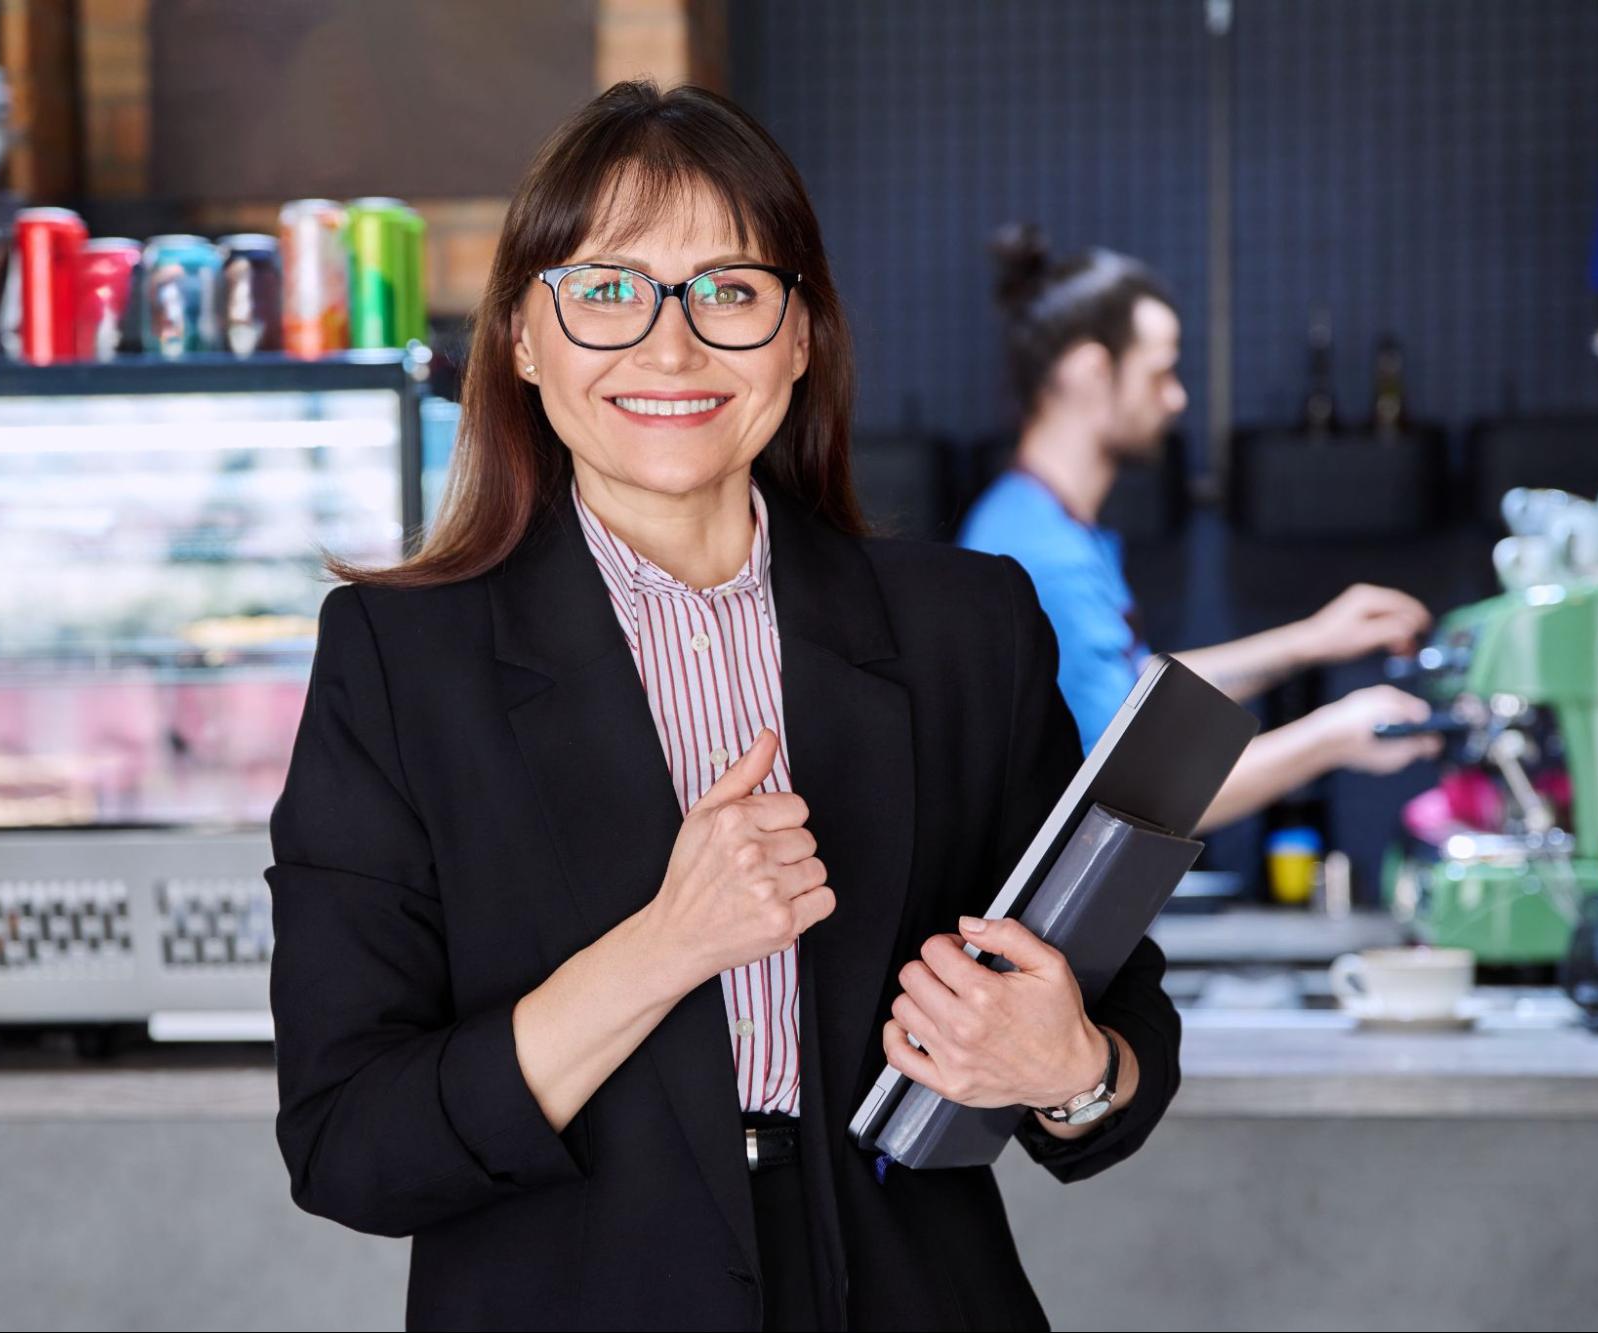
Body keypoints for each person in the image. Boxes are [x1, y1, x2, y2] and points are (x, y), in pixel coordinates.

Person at [268, 85, 1180, 1331]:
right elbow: (351, 1144)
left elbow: (1119, 1018)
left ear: (800, 336)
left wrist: (1071, 1071)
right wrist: (669, 940)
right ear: (523, 341)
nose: (670, 348)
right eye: (605, 289)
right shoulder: (397, 660)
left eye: (730, 290)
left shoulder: (965, 627)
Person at [958, 226, 1443, 832]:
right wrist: (1333, 736)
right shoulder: (1040, 556)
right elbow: (1130, 792)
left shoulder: (1045, 525)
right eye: (1160, 374)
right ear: (1091, 371)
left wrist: (1311, 640)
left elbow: (1134, 699)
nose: (1177, 398)